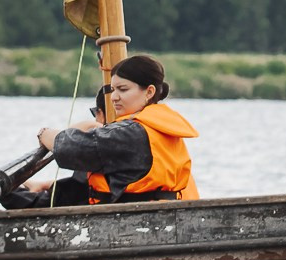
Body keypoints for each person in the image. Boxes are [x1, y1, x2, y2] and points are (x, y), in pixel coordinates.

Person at [32, 53, 199, 204]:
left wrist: (44, 134)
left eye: (123, 89)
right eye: (113, 90)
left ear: (149, 92)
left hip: (137, 222)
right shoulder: (162, 125)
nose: (113, 97)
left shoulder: (130, 133)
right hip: (163, 214)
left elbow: (71, 149)